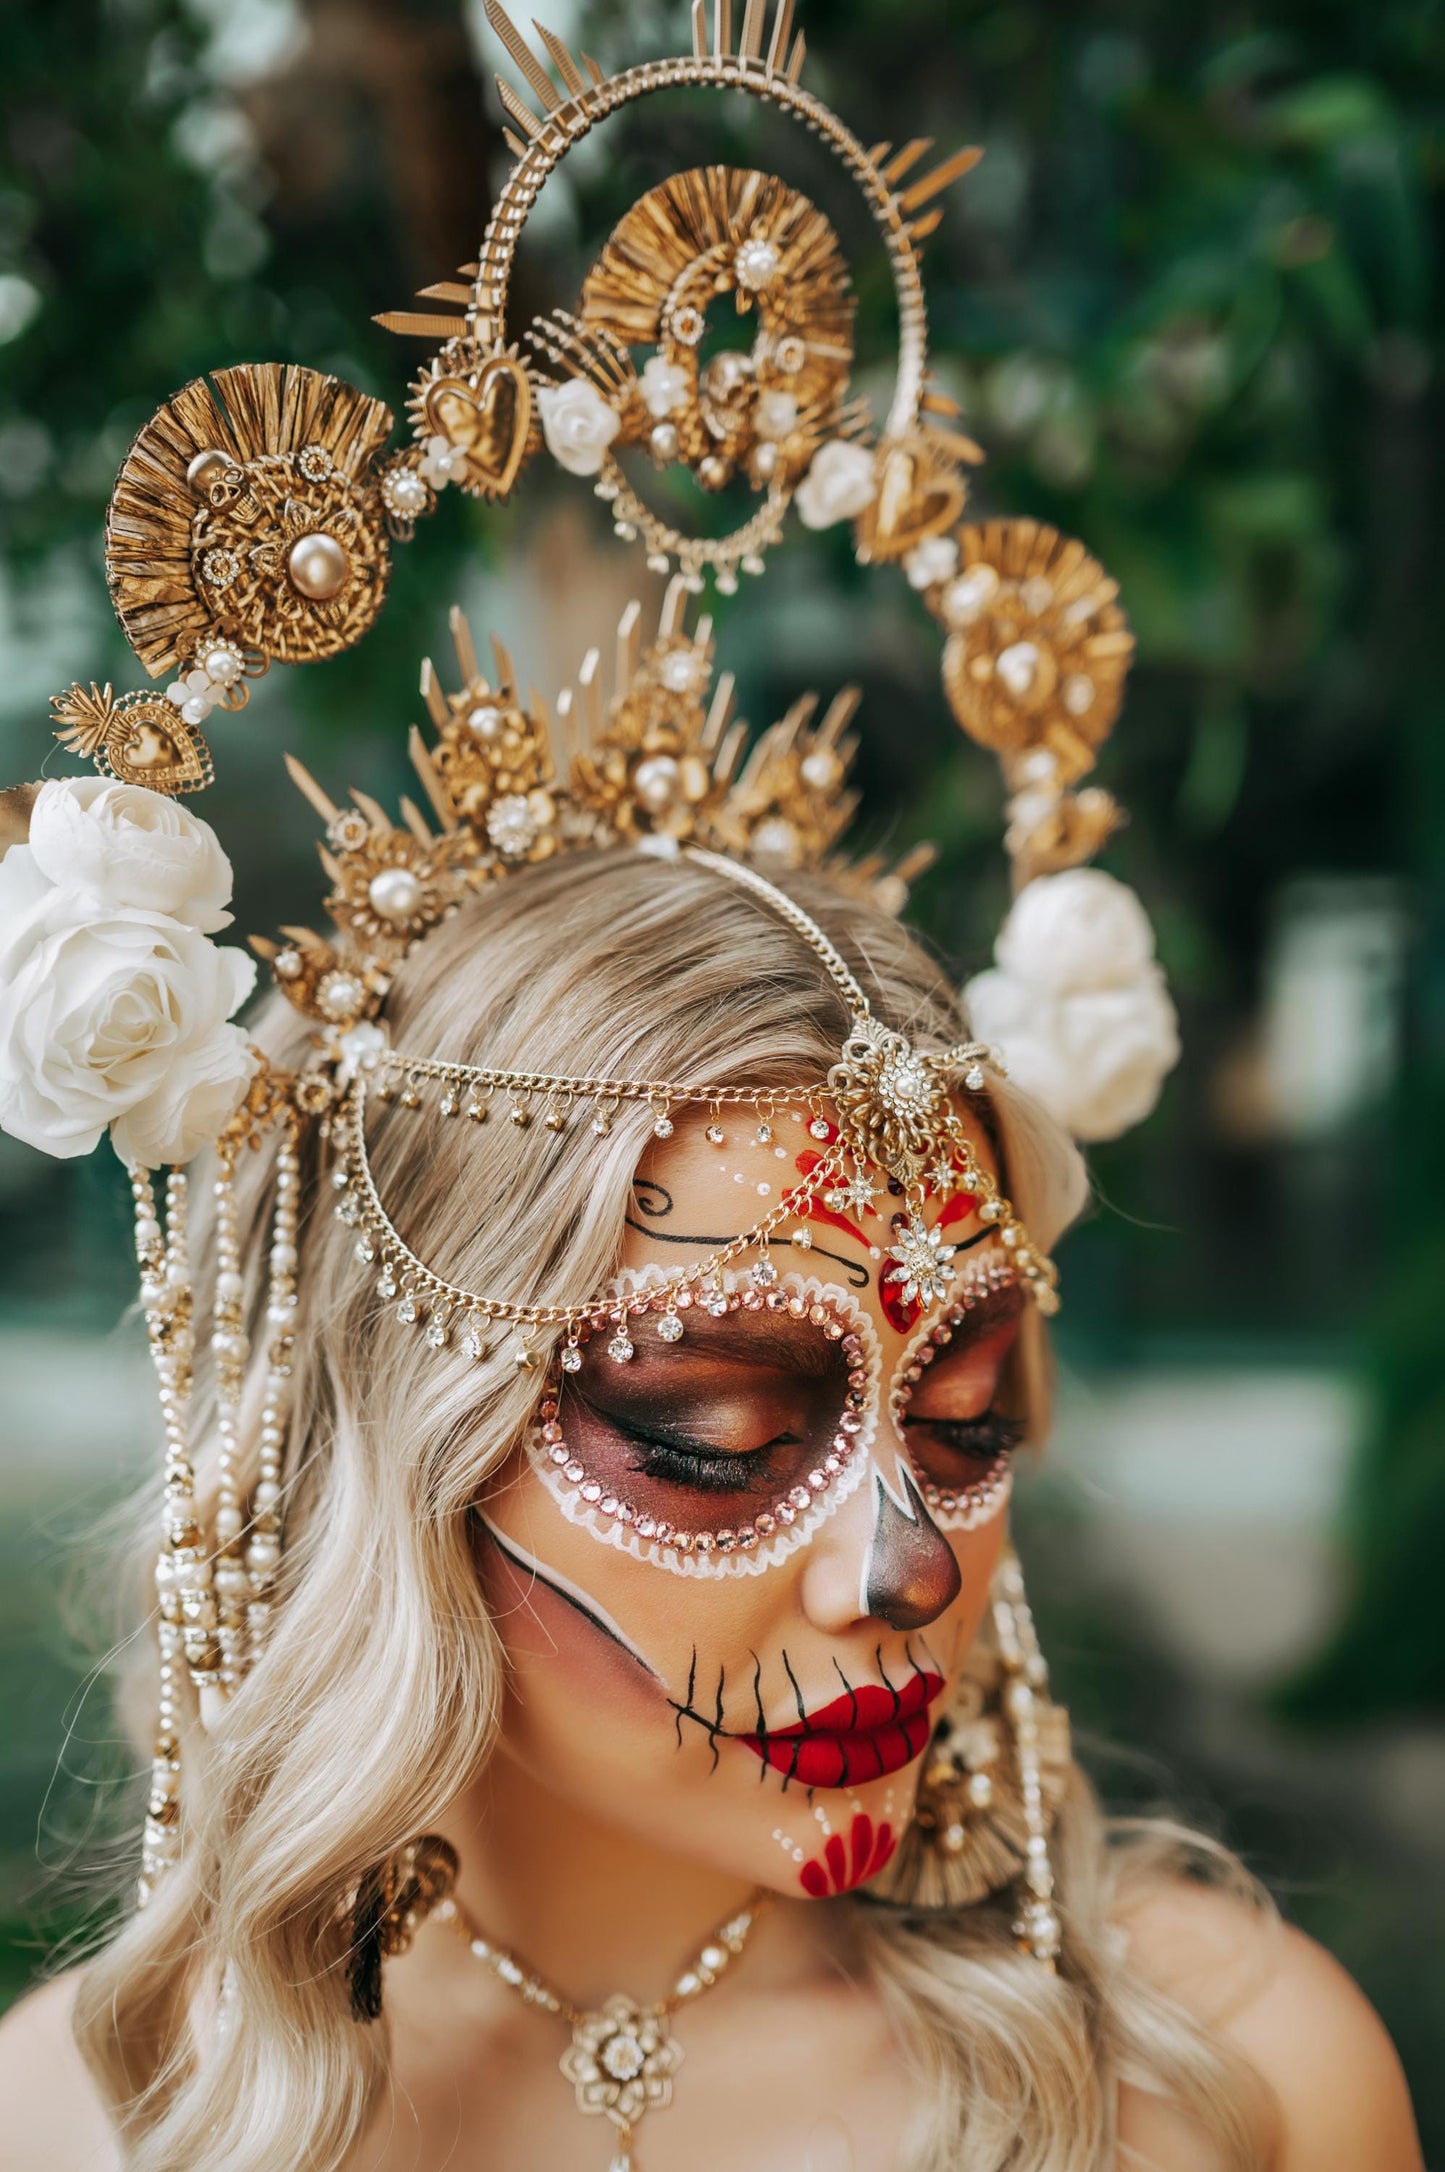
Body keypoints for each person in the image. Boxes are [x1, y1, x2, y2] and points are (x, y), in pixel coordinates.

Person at [0, 7, 1425, 2167]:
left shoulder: (1227, 2083)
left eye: (965, 1417)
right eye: (710, 1431)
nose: (904, 1568)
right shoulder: (111, 2117)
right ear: (406, 1441)